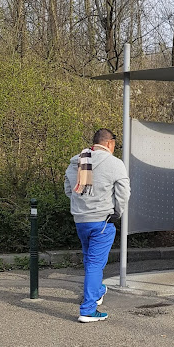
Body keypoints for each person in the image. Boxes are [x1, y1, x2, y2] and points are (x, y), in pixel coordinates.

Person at [64, 128, 130, 323]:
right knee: (95, 264)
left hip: (81, 220)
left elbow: (69, 189)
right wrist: (117, 212)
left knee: (89, 260)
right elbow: (124, 193)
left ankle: (98, 290)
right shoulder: (114, 163)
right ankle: (88, 309)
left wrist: (82, 206)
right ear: (109, 143)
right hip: (102, 221)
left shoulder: (77, 161)